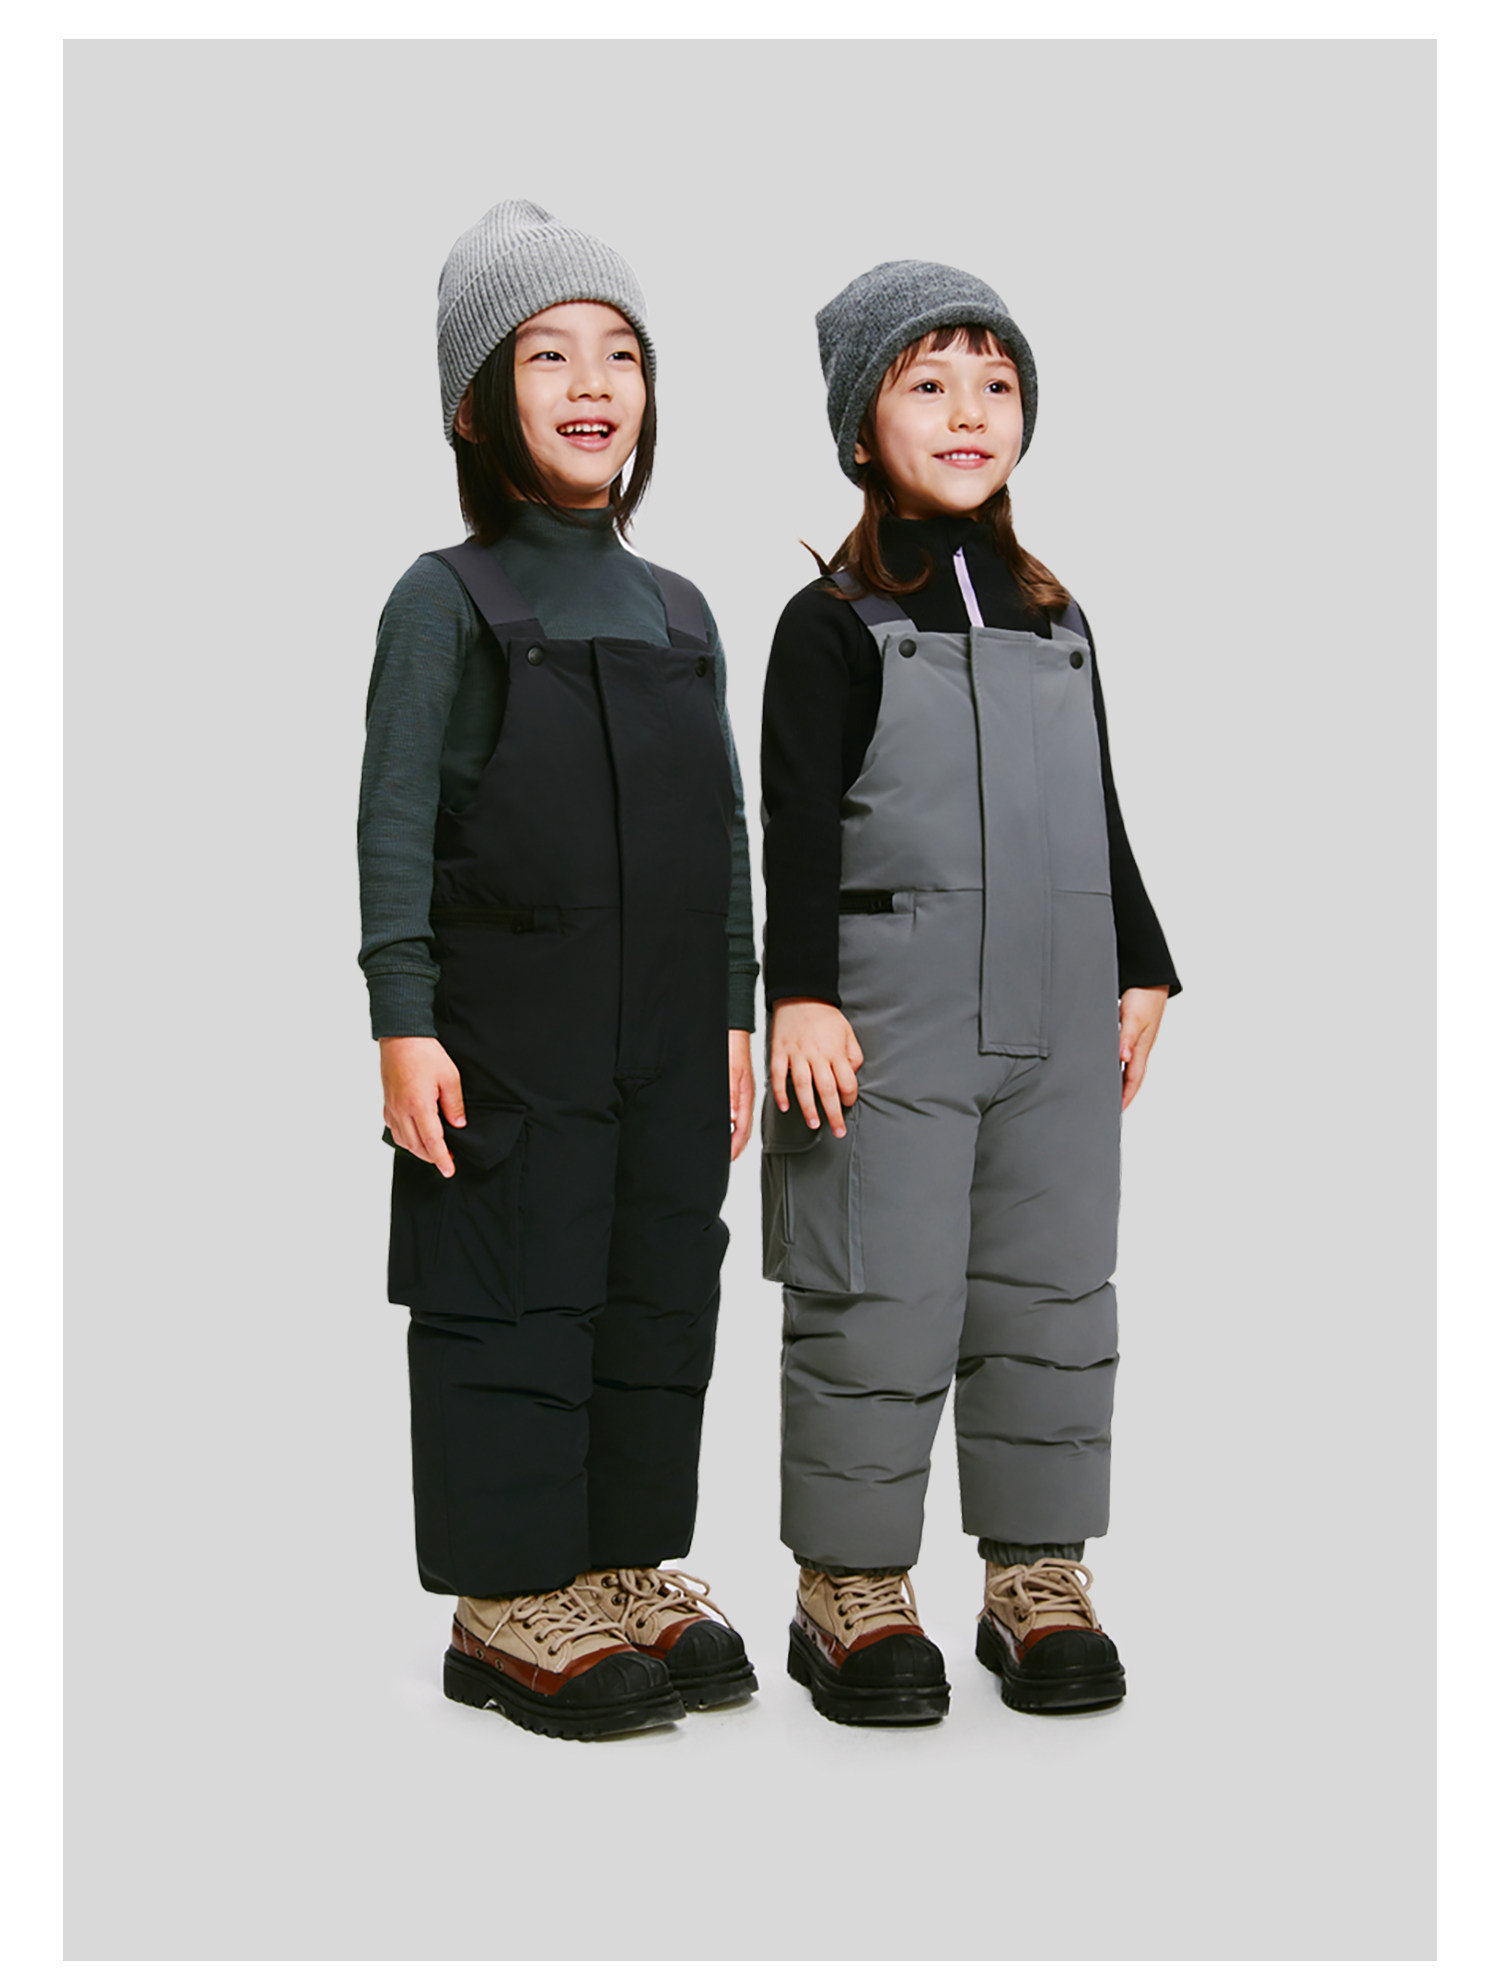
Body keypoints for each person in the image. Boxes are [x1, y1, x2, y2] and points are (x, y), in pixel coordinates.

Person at [760, 259, 1181, 1725]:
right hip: (888, 1019)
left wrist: (1144, 959)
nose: (969, 413)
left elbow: (1098, 802)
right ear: (859, 429)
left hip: (1061, 1015)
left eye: (996, 385)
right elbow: (794, 824)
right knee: (877, 1290)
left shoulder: (1059, 616)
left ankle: (1036, 1576)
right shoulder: (829, 622)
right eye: (928, 384)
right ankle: (852, 1586)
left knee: (1051, 1290)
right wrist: (800, 995)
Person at [358, 200, 758, 1740]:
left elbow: (726, 829)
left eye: (620, 353)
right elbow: (396, 815)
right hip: (510, 1039)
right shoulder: (445, 599)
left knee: (657, 1284)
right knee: (515, 1286)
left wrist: (736, 1006)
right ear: (476, 404)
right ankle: (506, 1597)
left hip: (671, 1037)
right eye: (547, 355)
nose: (594, 384)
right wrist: (401, 1017)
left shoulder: (681, 609)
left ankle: (618, 1561)